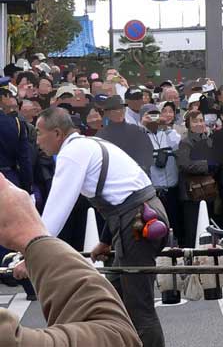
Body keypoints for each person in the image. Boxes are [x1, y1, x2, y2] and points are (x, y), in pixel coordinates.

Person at [13, 107, 168, 347]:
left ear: (57, 133)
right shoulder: (89, 144)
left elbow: (57, 208)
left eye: (39, 134)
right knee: (114, 295)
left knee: (138, 307)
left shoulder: (72, 153)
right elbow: (119, 196)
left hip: (138, 221)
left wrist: (31, 253)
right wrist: (106, 241)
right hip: (140, 214)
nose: (37, 141)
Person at [0, 173, 142, 347]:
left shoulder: (76, 151)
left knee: (140, 302)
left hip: (135, 219)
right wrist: (33, 240)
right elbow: (115, 336)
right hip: (127, 219)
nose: (37, 143)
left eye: (39, 141)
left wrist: (36, 249)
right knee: (140, 305)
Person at [142, 102, 182, 243]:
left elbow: (177, 145)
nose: (154, 118)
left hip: (171, 188)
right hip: (152, 191)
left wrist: (166, 127)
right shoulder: (141, 134)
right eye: (150, 115)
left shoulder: (170, 134)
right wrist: (143, 125)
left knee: (173, 223)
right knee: (155, 225)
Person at [176, 110, 216, 247]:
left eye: (201, 120)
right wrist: (207, 164)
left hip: (209, 190)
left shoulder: (209, 140)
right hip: (191, 193)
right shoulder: (185, 143)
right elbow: (185, 164)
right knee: (192, 229)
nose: (199, 124)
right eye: (195, 121)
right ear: (188, 125)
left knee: (208, 227)